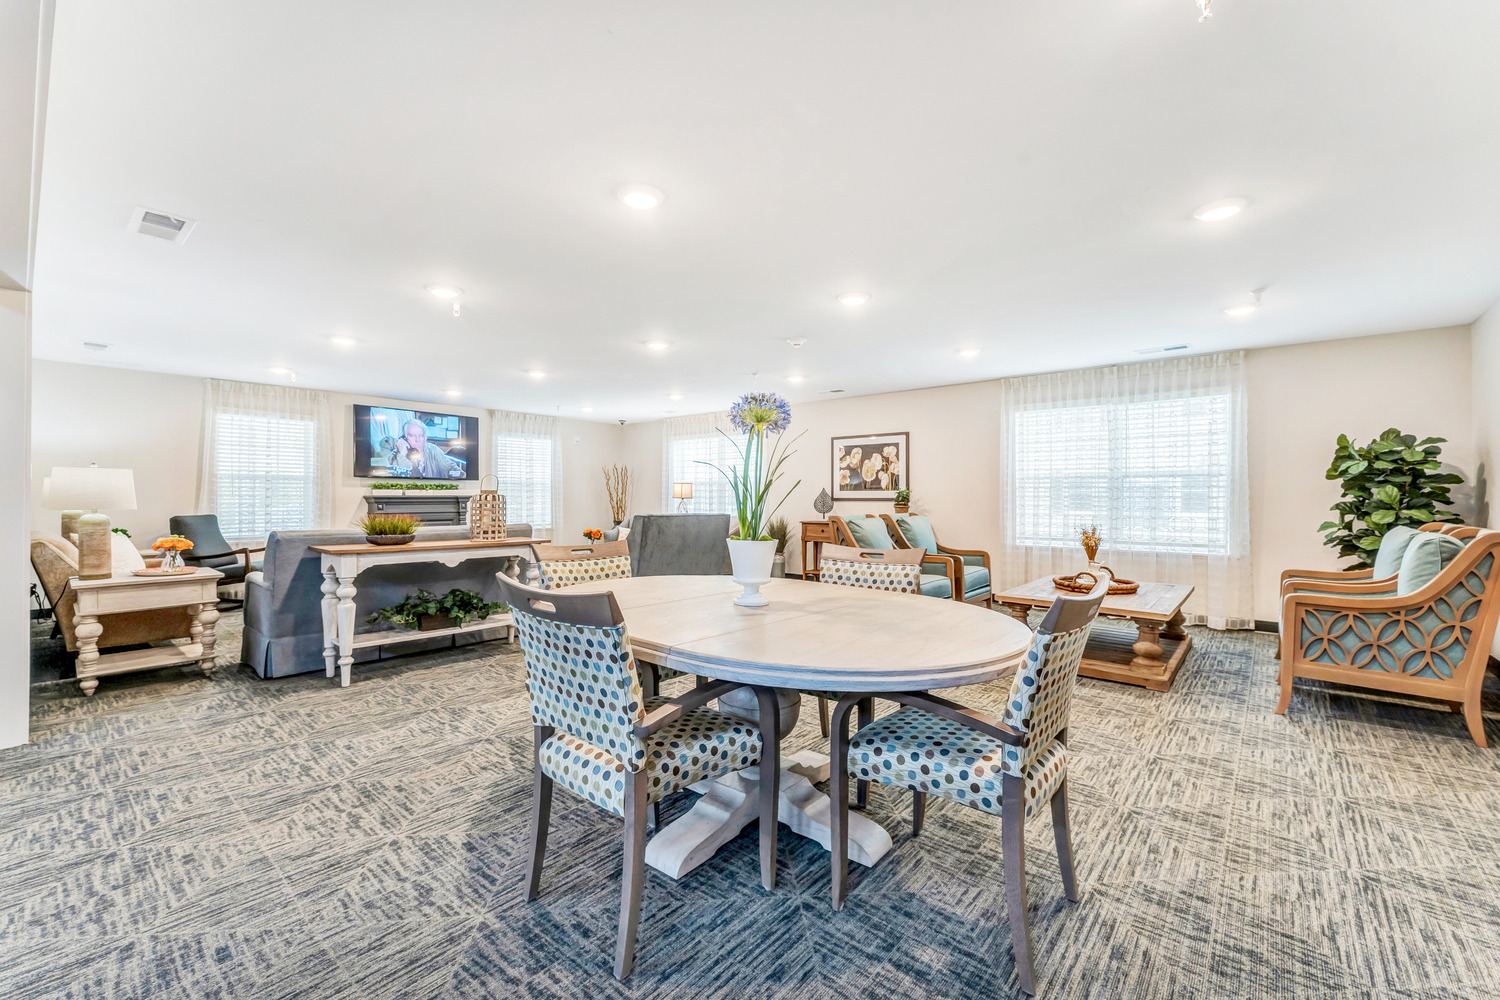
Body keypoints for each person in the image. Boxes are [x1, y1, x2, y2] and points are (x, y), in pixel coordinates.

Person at [389, 419, 463, 478]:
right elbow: (399, 480)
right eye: (412, 436)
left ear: (425, 438)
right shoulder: (395, 455)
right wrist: (403, 455)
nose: (417, 440)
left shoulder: (433, 450)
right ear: (404, 438)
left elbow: (454, 470)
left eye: (421, 436)